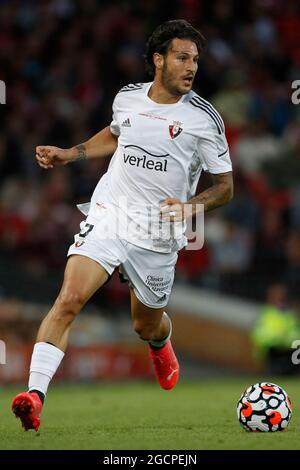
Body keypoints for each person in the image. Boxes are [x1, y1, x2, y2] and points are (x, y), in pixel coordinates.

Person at [12, 19, 233, 431]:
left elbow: (225, 187)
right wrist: (71, 153)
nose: (191, 67)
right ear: (158, 60)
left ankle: (159, 341)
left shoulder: (204, 119)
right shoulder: (128, 98)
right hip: (111, 211)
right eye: (183, 57)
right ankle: (35, 396)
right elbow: (116, 134)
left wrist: (191, 207)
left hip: (159, 231)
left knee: (144, 322)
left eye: (196, 60)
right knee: (70, 298)